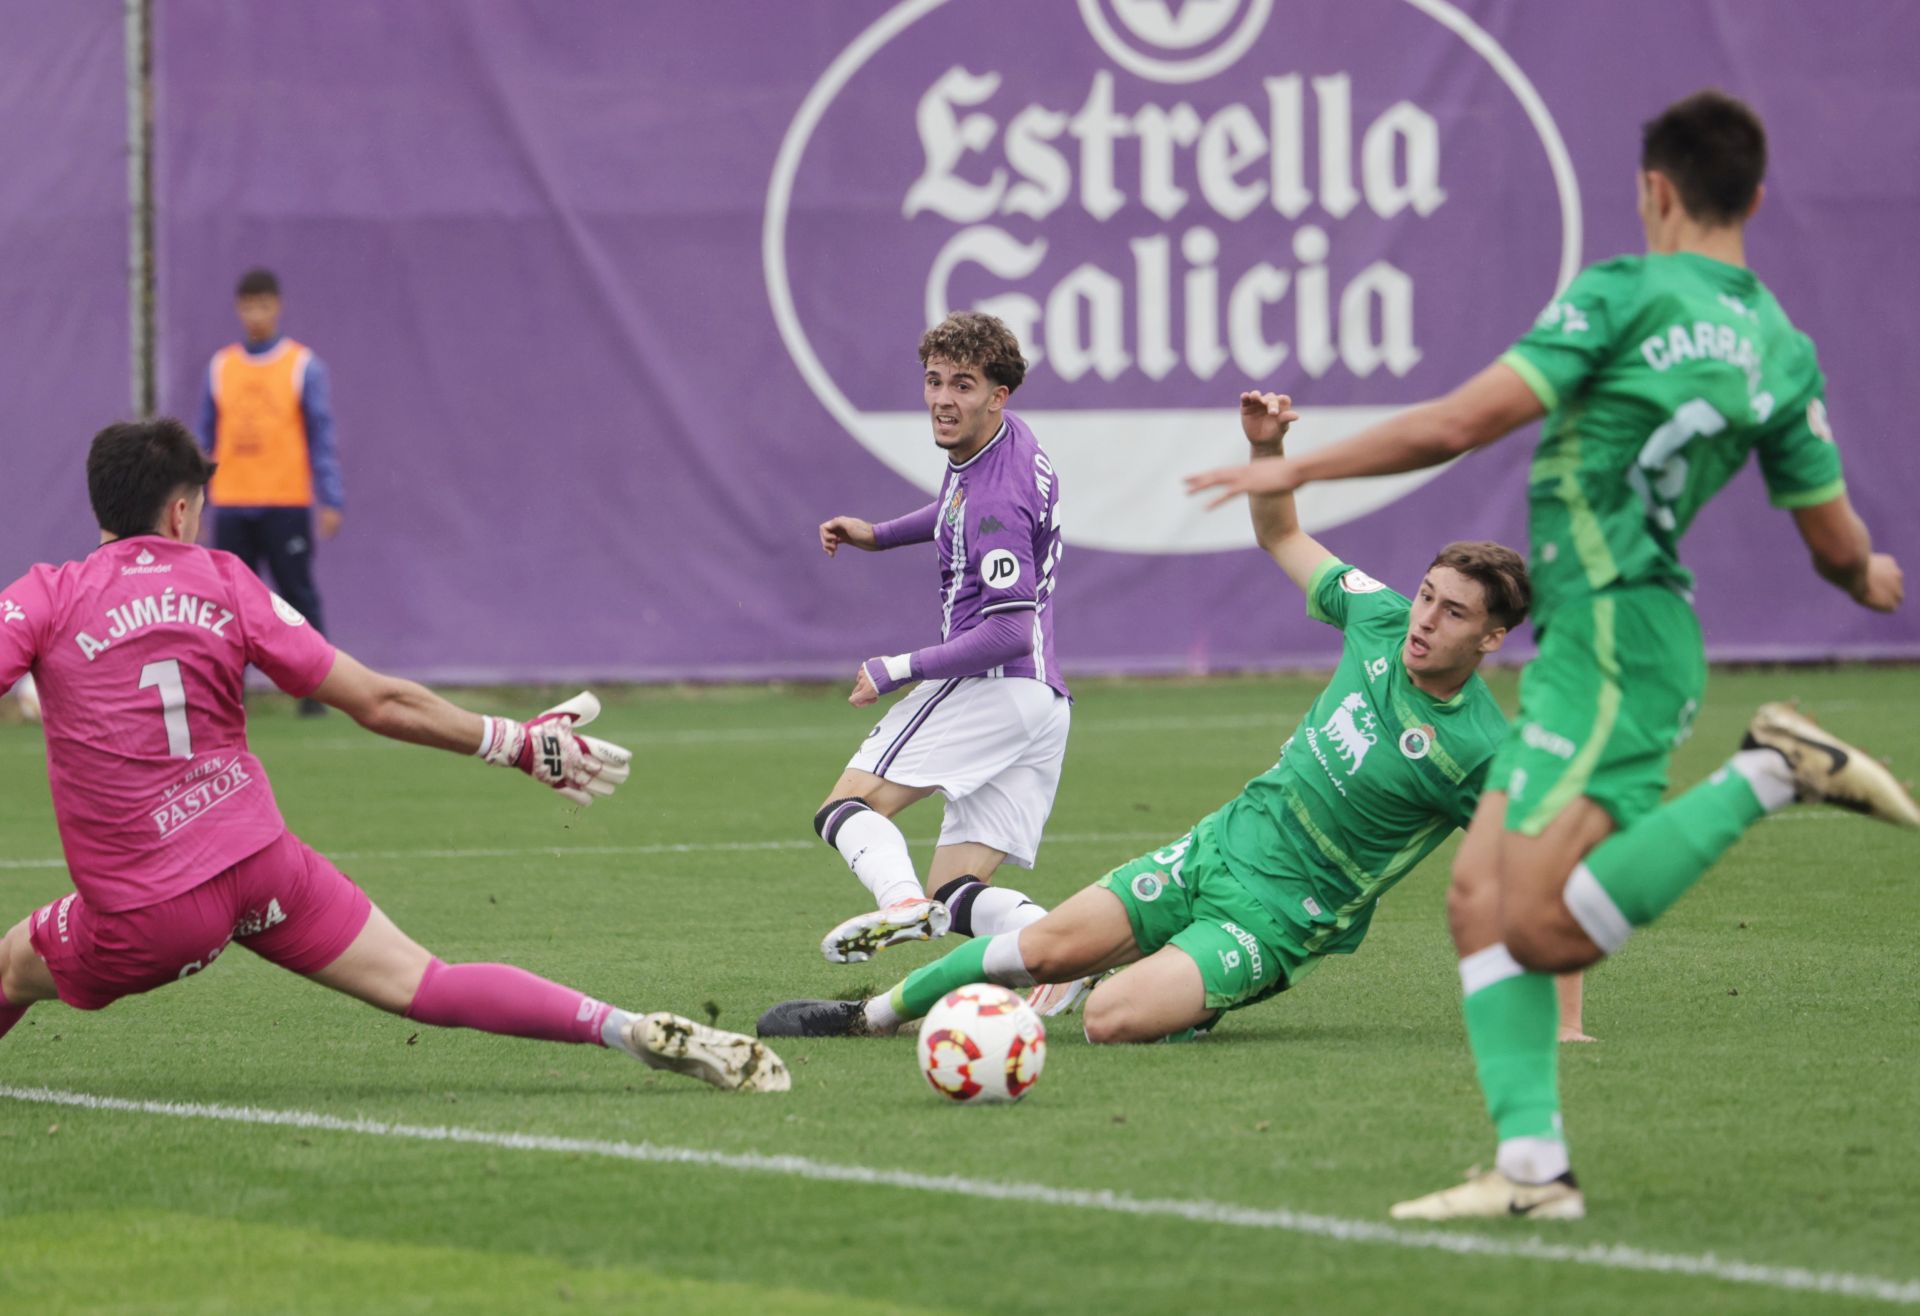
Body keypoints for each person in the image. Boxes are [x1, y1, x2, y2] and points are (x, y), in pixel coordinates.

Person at [1186, 90, 1917, 1219]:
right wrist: (1870, 576)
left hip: (1619, 638)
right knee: (1478, 898)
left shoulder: (1623, 293)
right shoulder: (1781, 344)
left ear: (1654, 191)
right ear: (1756, 200)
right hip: (1606, 634)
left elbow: (1455, 425)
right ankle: (1531, 1170)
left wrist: (1294, 469)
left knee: (1533, 918)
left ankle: (1770, 771)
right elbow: (1833, 544)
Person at [0, 418, 789, 1093]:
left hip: (151, 912)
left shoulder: (44, 594)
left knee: (9, 969)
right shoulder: (225, 580)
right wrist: (512, 741)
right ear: (179, 512)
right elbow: (377, 700)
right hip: (259, 865)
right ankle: (626, 1027)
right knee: (425, 980)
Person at [760, 391, 1528, 1047]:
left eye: (1452, 612)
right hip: (1213, 850)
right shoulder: (1381, 618)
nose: (1425, 618)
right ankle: (871, 1017)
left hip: (1276, 920)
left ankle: (1188, 995)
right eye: (1427, 593)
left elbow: (1533, 877)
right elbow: (1281, 534)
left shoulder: (1479, 749)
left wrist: (1560, 1018)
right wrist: (1269, 446)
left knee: (1110, 1019)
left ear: (1491, 638)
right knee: (1046, 948)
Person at [810, 312, 1077, 1000]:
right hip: (1041, 703)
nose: (943, 398)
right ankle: (1086, 962)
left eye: (964, 384)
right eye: (934, 381)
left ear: (999, 394)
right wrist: (879, 534)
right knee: (957, 890)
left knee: (847, 807)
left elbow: (1010, 630)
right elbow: (953, 505)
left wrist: (897, 667)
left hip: (991, 680)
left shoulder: (997, 492)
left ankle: (900, 906)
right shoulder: (1003, 444)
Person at [195, 267, 343, 716]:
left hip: (286, 503)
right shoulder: (221, 366)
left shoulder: (302, 364)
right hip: (234, 505)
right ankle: (226, 698)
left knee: (297, 599)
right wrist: (196, 504)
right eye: (248, 306)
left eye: (263, 305)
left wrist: (330, 496)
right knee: (226, 606)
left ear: (276, 307)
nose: (256, 314)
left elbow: (322, 434)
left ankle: (316, 698)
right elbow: (204, 439)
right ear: (238, 309)